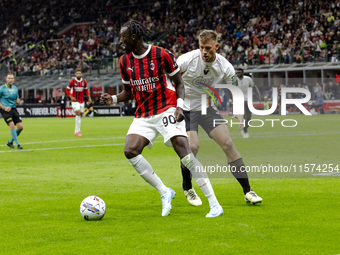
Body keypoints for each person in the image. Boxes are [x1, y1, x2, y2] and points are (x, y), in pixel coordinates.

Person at [100, 20, 223, 217]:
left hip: (166, 108)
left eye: (123, 37)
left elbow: (179, 84)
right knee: (130, 150)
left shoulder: (161, 54)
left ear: (134, 37)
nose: (120, 41)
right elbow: (129, 92)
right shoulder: (124, 61)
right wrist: (113, 98)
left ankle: (214, 203)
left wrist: (179, 107)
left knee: (185, 153)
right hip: (143, 113)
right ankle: (165, 192)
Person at [176, 30, 262, 206]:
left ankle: (248, 192)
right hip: (186, 110)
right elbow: (170, 78)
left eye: (208, 48)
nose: (204, 52)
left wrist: (238, 111)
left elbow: (234, 88)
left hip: (207, 108)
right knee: (192, 146)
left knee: (228, 144)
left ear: (217, 46)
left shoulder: (225, 66)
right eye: (201, 48)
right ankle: (187, 187)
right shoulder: (187, 59)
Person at [0, 73, 24, 149]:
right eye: (9, 78)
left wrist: (18, 101)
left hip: (13, 109)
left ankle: (10, 142)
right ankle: (18, 144)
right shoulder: (2, 88)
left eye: (12, 78)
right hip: (5, 110)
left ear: (14, 79)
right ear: (6, 79)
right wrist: (4, 107)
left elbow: (16, 99)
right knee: (12, 125)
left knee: (20, 127)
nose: (10, 80)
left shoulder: (15, 88)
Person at [236, 68, 261, 138]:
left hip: (248, 99)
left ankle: (245, 129)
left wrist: (258, 96)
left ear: (243, 73)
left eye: (239, 72)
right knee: (244, 115)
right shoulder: (235, 80)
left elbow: (254, 86)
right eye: (237, 73)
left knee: (249, 117)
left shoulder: (248, 79)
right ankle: (245, 131)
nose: (238, 74)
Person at [66, 69, 92, 136]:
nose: (78, 74)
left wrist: (89, 98)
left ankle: (76, 131)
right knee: (77, 112)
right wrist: (71, 97)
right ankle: (78, 131)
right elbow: (67, 90)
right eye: (77, 73)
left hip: (81, 101)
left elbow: (86, 90)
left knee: (80, 115)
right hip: (74, 100)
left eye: (79, 73)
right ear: (75, 74)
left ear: (81, 74)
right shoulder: (72, 81)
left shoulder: (84, 81)